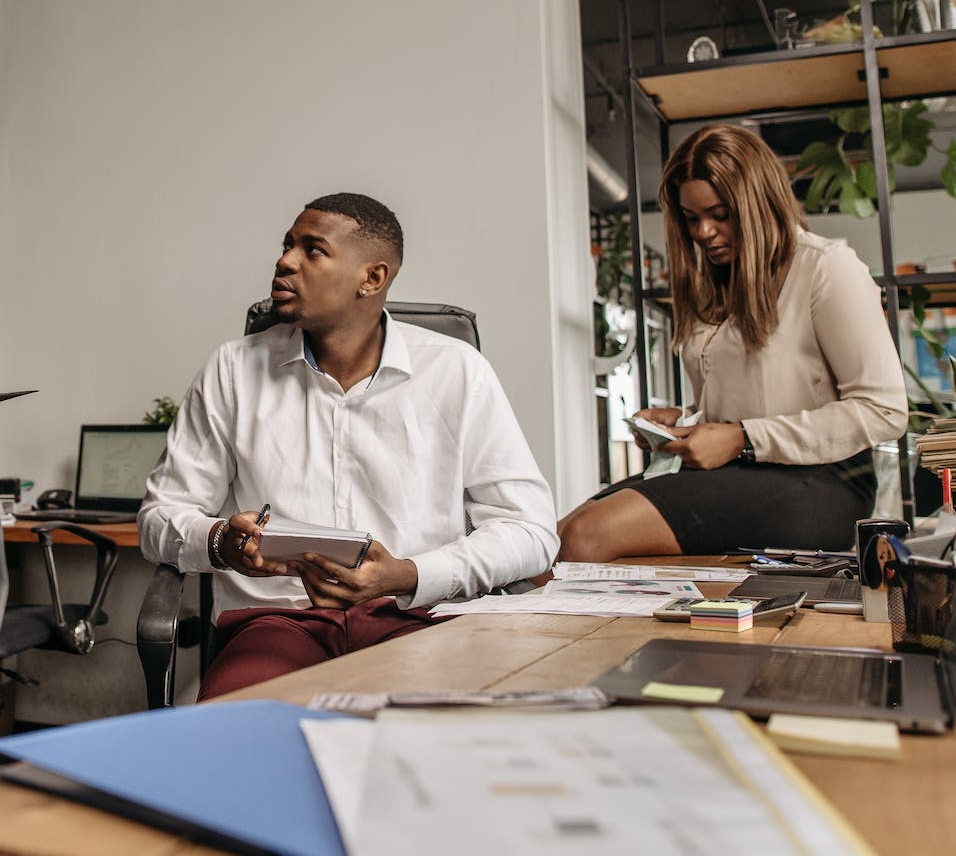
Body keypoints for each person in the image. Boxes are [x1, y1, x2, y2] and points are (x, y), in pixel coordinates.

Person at [138, 193, 559, 698]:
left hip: (416, 617)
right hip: (278, 623)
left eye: (313, 249)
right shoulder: (232, 369)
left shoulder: (457, 372)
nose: (285, 261)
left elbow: (530, 531)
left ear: (372, 278)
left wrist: (409, 575)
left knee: (440, 731)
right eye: (287, 245)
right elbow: (159, 518)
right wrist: (220, 541)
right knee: (233, 729)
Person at [558, 124, 907, 561]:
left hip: (820, 482)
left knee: (586, 536)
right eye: (691, 218)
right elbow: (747, 401)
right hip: (736, 471)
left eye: (720, 214)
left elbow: (885, 410)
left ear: (757, 203)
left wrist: (742, 438)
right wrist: (683, 423)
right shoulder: (717, 283)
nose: (704, 232)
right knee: (553, 539)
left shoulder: (825, 267)